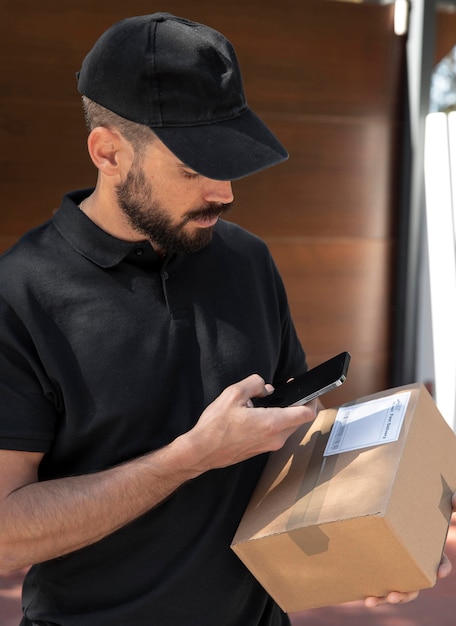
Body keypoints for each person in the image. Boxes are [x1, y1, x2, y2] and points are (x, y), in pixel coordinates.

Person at [0, 12, 452, 626]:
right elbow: (6, 533)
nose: (224, 191)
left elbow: (295, 439)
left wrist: (378, 538)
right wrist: (190, 456)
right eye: (193, 168)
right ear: (108, 152)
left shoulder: (247, 259)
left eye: (230, 160)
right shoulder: (19, 294)